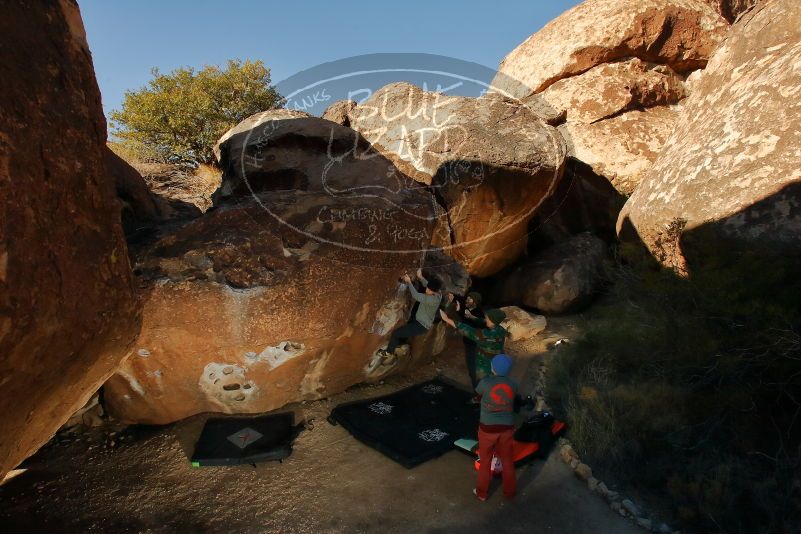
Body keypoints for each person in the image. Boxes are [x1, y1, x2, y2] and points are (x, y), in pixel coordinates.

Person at [473, 354, 518, 501]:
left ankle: (481, 493)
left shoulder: (485, 382)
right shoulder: (513, 384)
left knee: (485, 461)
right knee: (507, 460)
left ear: (493, 368)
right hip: (506, 428)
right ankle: (509, 492)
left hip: (488, 428)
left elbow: (477, 395)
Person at [378, 269, 442, 364]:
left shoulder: (431, 299)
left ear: (433, 292)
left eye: (429, 290)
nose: (427, 290)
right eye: (428, 288)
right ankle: (399, 345)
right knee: (405, 328)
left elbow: (416, 295)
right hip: (420, 321)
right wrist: (420, 277)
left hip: (421, 326)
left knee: (396, 333)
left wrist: (409, 282)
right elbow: (427, 284)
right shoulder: (438, 294)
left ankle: (389, 352)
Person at [439, 307, 508, 385]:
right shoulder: (500, 329)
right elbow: (484, 321)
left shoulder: (487, 335)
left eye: (487, 318)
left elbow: (468, 330)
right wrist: (472, 317)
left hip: (486, 366)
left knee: (480, 383)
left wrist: (447, 319)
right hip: (496, 362)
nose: (486, 319)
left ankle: (479, 394)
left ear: (493, 320)